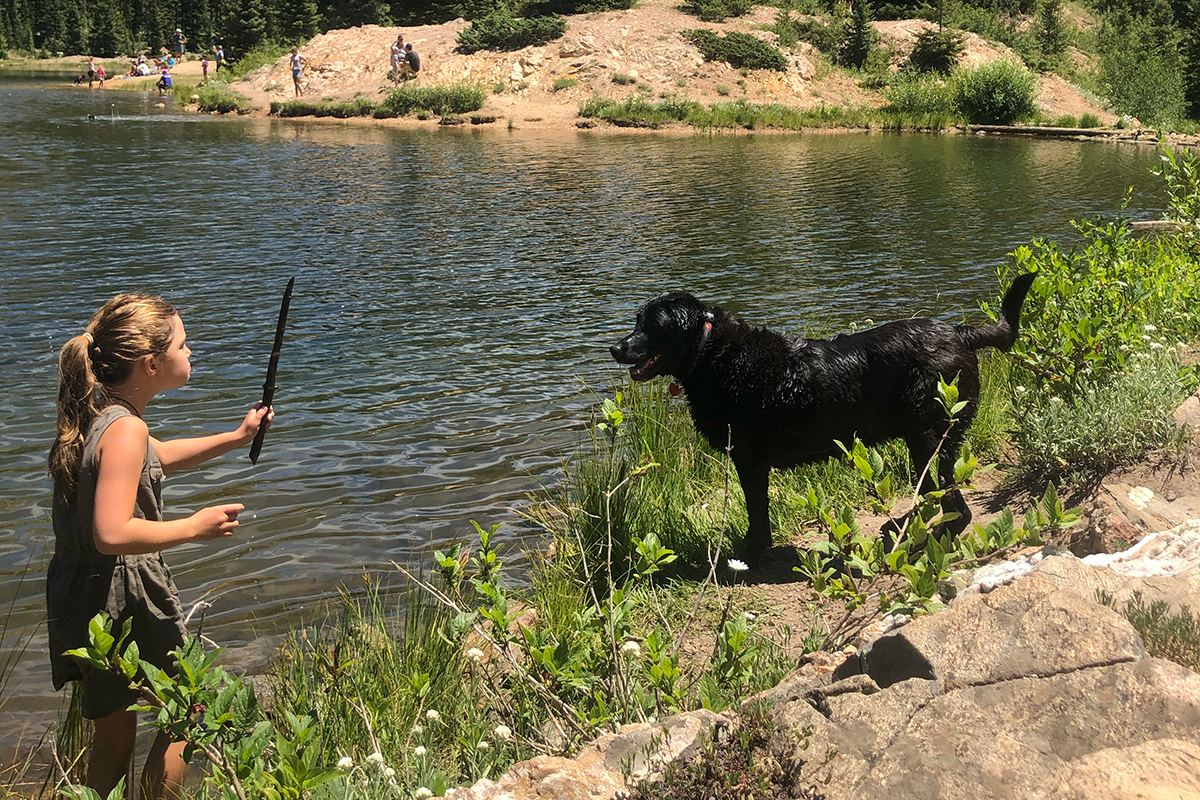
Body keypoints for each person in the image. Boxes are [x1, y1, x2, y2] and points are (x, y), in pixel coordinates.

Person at [46, 294, 272, 800]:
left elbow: (159, 458)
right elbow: (111, 532)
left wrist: (237, 437)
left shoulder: (98, 415)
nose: (193, 352)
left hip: (85, 600)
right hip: (123, 598)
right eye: (184, 345)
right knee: (189, 710)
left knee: (113, 740)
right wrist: (195, 526)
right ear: (152, 364)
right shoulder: (127, 428)